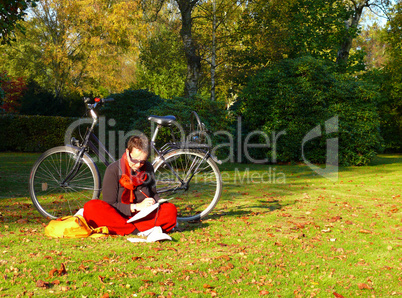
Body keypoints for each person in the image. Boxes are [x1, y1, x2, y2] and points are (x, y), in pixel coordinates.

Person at [83, 135, 177, 237]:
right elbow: (109, 204)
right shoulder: (113, 170)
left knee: (170, 210)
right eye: (135, 160)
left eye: (142, 161)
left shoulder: (148, 167)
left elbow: (153, 194)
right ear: (128, 152)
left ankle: (127, 229)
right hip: (117, 215)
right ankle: (136, 230)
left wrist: (157, 202)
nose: (138, 165)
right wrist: (137, 207)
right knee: (91, 207)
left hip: (143, 217)